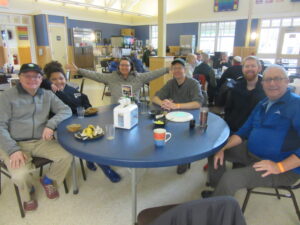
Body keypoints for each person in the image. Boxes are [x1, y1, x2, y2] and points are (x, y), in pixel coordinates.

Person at [201, 65, 300, 198]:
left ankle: (218, 207)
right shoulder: (263, 103)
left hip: (282, 167)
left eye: (277, 79)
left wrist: (279, 167)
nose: (272, 83)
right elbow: (244, 131)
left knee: (231, 179)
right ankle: (218, 192)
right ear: (262, 83)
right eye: (267, 80)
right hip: (252, 153)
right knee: (214, 149)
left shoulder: (296, 105)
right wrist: (222, 148)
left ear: (287, 81)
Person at [0, 63, 72, 212]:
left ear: (41, 79)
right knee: (20, 174)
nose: (32, 79)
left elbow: (66, 110)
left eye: (37, 76)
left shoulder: (47, 94)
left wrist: (51, 125)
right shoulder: (7, 96)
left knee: (67, 154)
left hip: (40, 141)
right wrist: (12, 150)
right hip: (15, 143)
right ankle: (29, 192)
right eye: (27, 75)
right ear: (20, 77)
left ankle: (48, 180)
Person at [43, 61, 121, 183]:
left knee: (101, 133)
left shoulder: (70, 89)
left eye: (61, 78)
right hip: (63, 129)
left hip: (81, 122)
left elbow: (83, 100)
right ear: (48, 82)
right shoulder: (47, 94)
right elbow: (69, 105)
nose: (58, 82)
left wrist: (87, 106)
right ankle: (106, 168)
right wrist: (51, 87)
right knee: (92, 140)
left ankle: (90, 158)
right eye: (53, 80)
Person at [152, 58, 204, 174]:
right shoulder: (170, 83)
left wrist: (177, 105)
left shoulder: (193, 83)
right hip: (174, 116)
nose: (177, 71)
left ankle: (183, 159)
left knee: (182, 135)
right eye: (174, 68)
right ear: (171, 70)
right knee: (155, 127)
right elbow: (155, 98)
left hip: (190, 117)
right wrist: (163, 103)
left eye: (179, 68)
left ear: (184, 69)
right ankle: (166, 152)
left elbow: (198, 103)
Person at [67, 57, 169, 104]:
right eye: (122, 65)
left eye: (126, 65)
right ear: (119, 66)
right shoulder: (112, 77)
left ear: (131, 67)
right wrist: (79, 70)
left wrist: (167, 69)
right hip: (115, 108)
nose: (124, 67)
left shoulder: (139, 77)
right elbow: (95, 75)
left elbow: (153, 73)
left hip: (134, 109)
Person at [223, 56, 266, 132]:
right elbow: (228, 109)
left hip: (254, 131)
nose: (250, 69)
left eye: (253, 66)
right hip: (233, 129)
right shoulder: (236, 86)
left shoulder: (265, 89)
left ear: (259, 69)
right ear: (243, 69)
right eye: (247, 66)